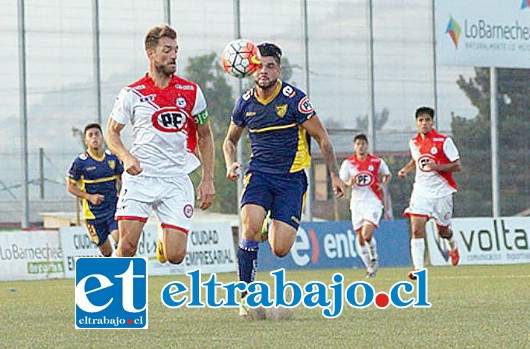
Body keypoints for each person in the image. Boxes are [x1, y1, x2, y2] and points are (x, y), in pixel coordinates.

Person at [223, 42, 346, 316]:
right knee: (249, 226)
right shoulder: (245, 103)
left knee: (280, 249)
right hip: (259, 174)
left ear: (279, 70)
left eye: (271, 66)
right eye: (260, 66)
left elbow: (322, 138)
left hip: (291, 179)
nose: (264, 71)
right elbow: (230, 140)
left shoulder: (294, 100)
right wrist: (231, 163)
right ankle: (246, 297)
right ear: (250, 69)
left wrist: (335, 175)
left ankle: (268, 225)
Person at [106, 24, 215, 264]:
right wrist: (126, 156)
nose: (174, 55)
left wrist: (207, 179)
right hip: (141, 177)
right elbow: (112, 133)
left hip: (175, 179)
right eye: (167, 50)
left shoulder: (191, 92)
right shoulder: (133, 93)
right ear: (151, 53)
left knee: (175, 256)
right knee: (127, 246)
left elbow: (205, 136)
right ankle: (118, 300)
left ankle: (163, 235)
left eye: (176, 50)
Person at [398, 106, 461, 280]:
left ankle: (453, 244)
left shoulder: (444, 141)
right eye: (421, 120)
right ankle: (419, 269)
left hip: (442, 192)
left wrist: (437, 167)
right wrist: (406, 169)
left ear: (432, 122)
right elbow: (416, 160)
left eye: (427, 120)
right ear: (417, 123)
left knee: (443, 231)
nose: (424, 123)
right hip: (421, 192)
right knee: (416, 229)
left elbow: (457, 165)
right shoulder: (414, 142)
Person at [339, 133, 391, 278]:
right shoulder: (348, 164)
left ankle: (374, 258)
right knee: (360, 239)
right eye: (358, 144)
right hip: (356, 204)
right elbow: (343, 182)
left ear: (367, 145)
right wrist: (349, 183)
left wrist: (383, 185)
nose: (361, 146)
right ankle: (370, 268)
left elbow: (387, 175)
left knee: (366, 234)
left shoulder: (376, 161)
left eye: (363, 143)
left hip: (373, 202)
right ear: (354, 146)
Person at [67, 123, 124, 257]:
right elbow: (71, 187)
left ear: (102, 138)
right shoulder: (80, 162)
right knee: (106, 251)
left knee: (119, 238)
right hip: (93, 214)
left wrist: (123, 194)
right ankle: (111, 269)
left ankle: (123, 272)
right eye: (90, 135)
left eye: (97, 134)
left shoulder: (112, 158)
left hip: (113, 209)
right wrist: (89, 197)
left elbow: (122, 178)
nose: (94, 138)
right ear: (85, 140)